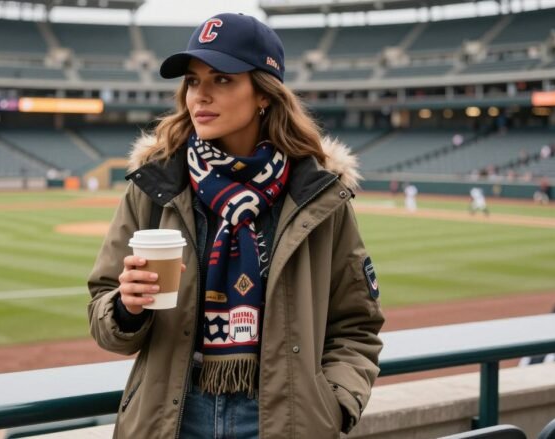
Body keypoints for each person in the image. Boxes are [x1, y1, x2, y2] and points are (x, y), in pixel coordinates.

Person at [87, 13, 384, 439]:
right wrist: (125, 307)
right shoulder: (156, 183)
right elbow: (103, 313)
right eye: (192, 81)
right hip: (172, 418)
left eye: (221, 79)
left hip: (282, 419)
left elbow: (357, 325)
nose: (200, 96)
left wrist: (330, 405)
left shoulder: (317, 192)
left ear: (263, 93)